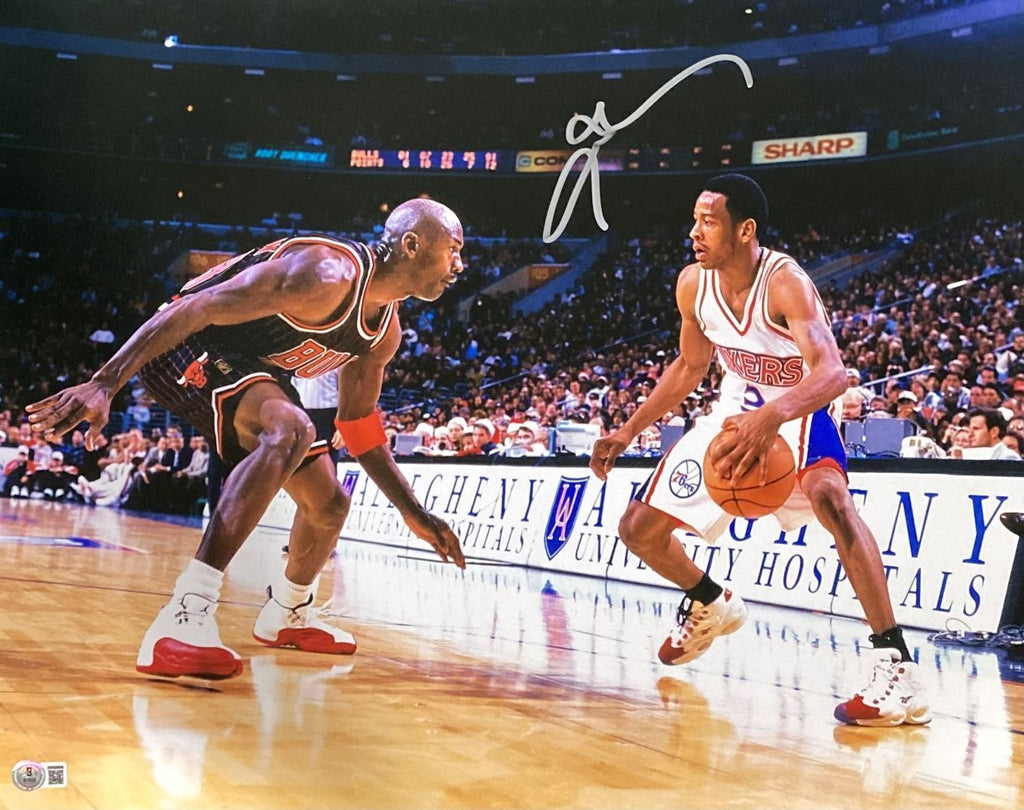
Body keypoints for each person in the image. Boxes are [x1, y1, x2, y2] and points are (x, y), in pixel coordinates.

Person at [28, 198, 467, 681]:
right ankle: (184, 614)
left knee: (329, 505)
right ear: (411, 244)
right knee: (292, 429)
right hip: (184, 340)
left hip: (251, 368)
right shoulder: (326, 273)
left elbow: (358, 423)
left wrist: (412, 511)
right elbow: (196, 307)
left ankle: (289, 611)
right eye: (454, 249)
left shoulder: (383, 333)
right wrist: (106, 382)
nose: (459, 265)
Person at [589, 174, 929, 727]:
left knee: (831, 499)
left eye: (709, 222)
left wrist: (773, 417)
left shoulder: (785, 282)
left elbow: (833, 374)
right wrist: (627, 431)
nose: (694, 232)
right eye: (695, 220)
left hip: (799, 407)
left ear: (745, 230)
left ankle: (896, 663)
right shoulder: (692, 284)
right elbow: (690, 367)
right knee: (638, 529)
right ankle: (711, 600)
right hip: (735, 411)